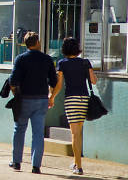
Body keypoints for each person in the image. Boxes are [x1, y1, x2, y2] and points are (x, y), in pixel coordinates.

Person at [8, 32, 58, 174]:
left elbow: (13, 81)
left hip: (24, 99)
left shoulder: (20, 59)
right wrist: (51, 96)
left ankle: (16, 162)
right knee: (38, 133)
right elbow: (54, 81)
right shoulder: (47, 59)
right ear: (37, 42)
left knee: (19, 129)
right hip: (41, 100)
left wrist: (16, 95)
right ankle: (36, 165)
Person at [52, 37, 98, 175]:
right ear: (77, 49)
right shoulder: (85, 62)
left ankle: (78, 166)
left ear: (64, 49)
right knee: (79, 132)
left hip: (71, 100)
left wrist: (52, 97)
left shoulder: (62, 63)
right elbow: (94, 81)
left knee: (74, 134)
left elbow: (59, 85)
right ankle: (77, 163)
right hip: (84, 99)